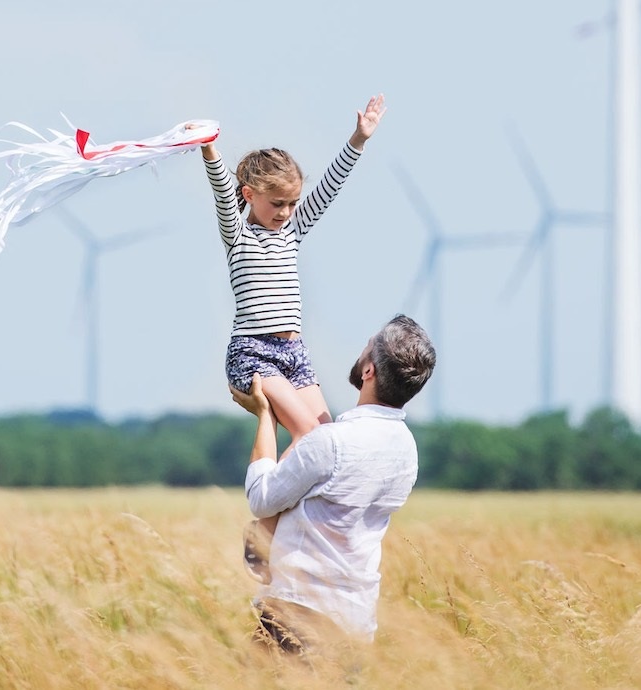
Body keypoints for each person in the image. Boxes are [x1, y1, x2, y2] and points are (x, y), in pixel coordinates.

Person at [200, 94, 388, 580]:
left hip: (294, 353)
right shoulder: (238, 236)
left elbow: (330, 188)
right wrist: (209, 152)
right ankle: (262, 530)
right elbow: (221, 193)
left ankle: (286, 521)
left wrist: (359, 139)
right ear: (250, 195)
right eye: (276, 203)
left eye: (291, 204)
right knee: (306, 434)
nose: (286, 212)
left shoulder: (293, 231)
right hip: (254, 352)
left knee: (326, 438)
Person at [229, 314, 436, 657]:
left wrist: (264, 415)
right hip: (357, 624)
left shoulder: (333, 443)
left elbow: (261, 498)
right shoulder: (407, 450)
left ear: (369, 371)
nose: (362, 350)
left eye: (367, 346)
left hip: (299, 615)